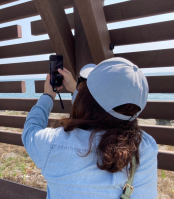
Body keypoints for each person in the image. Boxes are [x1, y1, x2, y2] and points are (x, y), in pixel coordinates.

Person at [22, 57, 158, 199]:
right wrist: (76, 90)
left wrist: (48, 96)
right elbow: (107, 111)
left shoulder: (54, 144)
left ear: (86, 97)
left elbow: (30, 131)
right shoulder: (145, 149)